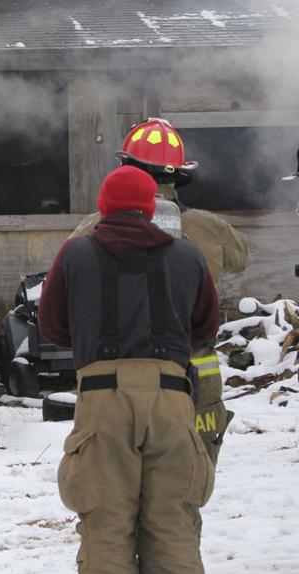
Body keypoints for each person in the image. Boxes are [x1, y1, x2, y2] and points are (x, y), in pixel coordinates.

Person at [40, 166, 219, 574]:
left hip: (102, 399)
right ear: (150, 209)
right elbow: (205, 327)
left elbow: (51, 325)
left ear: (103, 206)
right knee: (172, 520)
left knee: (106, 521)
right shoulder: (187, 256)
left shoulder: (75, 253)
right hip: (172, 398)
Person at [70, 117, 247, 465]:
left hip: (116, 382)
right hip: (195, 379)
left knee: (116, 489)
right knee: (185, 491)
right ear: (179, 174)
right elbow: (240, 258)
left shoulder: (94, 229)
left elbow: (69, 276)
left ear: (125, 167)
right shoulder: (211, 229)